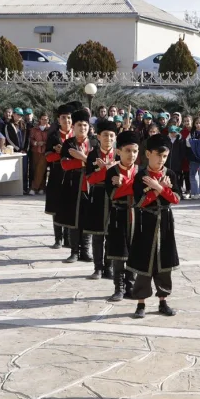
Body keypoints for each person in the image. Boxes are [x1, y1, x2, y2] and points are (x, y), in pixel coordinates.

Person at [126, 133, 180, 319]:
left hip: (165, 222)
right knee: (144, 263)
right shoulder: (141, 176)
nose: (161, 160)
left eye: (165, 156)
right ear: (148, 154)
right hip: (145, 222)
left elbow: (176, 198)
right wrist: (158, 190)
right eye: (158, 155)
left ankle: (163, 300)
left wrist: (160, 188)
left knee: (163, 263)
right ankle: (140, 303)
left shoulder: (170, 174)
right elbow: (140, 202)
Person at [57, 109, 96, 263]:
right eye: (79, 125)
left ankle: (85, 251)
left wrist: (82, 158)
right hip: (73, 185)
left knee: (87, 220)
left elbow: (97, 165)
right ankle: (74, 251)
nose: (83, 128)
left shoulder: (94, 143)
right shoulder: (69, 143)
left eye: (85, 125)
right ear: (74, 127)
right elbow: (65, 164)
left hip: (90, 185)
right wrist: (83, 161)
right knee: (74, 220)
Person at [106, 130, 140, 303]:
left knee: (134, 252)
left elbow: (140, 193)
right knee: (119, 253)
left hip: (136, 215)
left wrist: (124, 184)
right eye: (127, 151)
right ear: (118, 151)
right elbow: (111, 195)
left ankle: (131, 285)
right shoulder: (112, 171)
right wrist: (125, 187)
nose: (131, 155)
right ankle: (118, 288)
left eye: (135, 151)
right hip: (118, 215)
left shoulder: (140, 171)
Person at [83, 120, 118, 280]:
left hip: (114, 197)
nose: (108, 138)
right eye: (105, 135)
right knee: (98, 234)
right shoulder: (92, 154)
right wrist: (105, 170)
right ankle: (98, 267)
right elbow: (90, 178)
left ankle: (108, 267)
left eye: (111, 135)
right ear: (98, 136)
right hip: (97, 196)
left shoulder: (119, 154)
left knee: (112, 235)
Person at [45, 105, 73, 249]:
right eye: (63, 118)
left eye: (69, 117)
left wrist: (63, 152)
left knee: (69, 206)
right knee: (56, 206)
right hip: (57, 174)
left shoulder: (76, 137)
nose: (66, 120)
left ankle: (69, 239)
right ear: (58, 120)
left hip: (72, 174)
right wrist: (63, 154)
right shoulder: (54, 136)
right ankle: (58, 238)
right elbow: (48, 157)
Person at [186, 117, 200, 198]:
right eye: (196, 123)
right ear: (194, 124)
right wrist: (198, 142)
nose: (198, 125)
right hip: (193, 157)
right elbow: (188, 143)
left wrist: (194, 142)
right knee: (192, 175)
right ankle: (194, 193)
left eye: (199, 123)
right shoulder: (192, 133)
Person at [29, 113, 50, 195]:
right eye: (43, 119)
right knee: (36, 169)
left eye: (46, 119)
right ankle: (41, 187)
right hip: (35, 151)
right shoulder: (34, 129)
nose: (45, 121)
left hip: (45, 151)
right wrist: (36, 143)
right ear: (40, 120)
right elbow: (31, 139)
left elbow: (52, 139)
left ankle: (34, 188)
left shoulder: (50, 129)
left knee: (40, 169)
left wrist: (44, 143)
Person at [164, 125, 187, 197]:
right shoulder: (166, 140)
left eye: (174, 132)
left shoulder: (181, 140)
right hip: (167, 164)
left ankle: (178, 193)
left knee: (177, 179)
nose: (173, 134)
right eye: (171, 132)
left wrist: (180, 161)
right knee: (167, 179)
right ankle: (168, 193)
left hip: (177, 164)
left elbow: (183, 152)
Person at [179, 115, 194, 198]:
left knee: (189, 174)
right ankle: (181, 190)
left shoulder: (194, 131)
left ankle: (189, 190)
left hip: (191, 156)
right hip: (183, 156)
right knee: (183, 174)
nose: (186, 122)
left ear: (191, 121)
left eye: (188, 121)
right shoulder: (181, 131)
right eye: (185, 121)